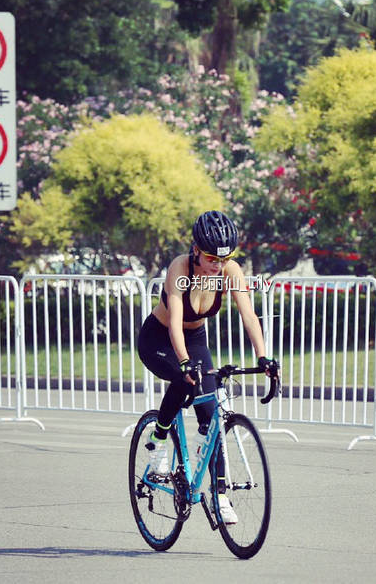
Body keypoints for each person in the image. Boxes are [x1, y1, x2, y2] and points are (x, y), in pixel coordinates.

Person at [137, 210, 277, 525]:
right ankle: (158, 441)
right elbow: (174, 322)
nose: (218, 265)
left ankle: (220, 495)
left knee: (211, 417)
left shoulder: (230, 271)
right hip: (159, 338)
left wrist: (263, 357)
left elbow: (249, 315)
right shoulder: (180, 268)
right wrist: (184, 363)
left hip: (197, 338)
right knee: (184, 381)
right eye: (212, 258)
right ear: (196, 249)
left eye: (225, 259)